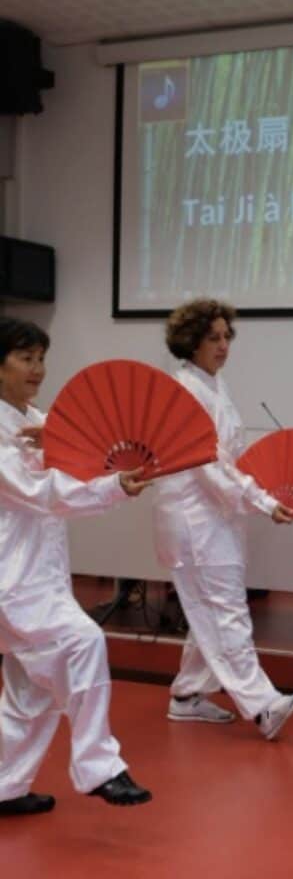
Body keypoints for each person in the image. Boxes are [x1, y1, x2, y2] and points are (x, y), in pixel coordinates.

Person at [0, 317, 152, 815]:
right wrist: (110, 487)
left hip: (38, 574)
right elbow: (42, 492)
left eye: (41, 358)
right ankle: (99, 767)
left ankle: (5, 786)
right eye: (25, 358)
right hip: (13, 580)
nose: (38, 369)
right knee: (82, 642)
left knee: (30, 693)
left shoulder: (37, 419)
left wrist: (110, 476)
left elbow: (72, 469)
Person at [152, 299, 293, 738]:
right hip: (194, 518)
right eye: (212, 338)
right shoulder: (185, 390)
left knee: (211, 609)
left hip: (212, 515)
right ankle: (263, 705)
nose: (223, 346)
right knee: (227, 610)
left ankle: (186, 697)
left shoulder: (214, 386)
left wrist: (262, 491)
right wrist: (262, 501)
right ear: (191, 342)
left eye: (226, 337)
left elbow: (229, 460)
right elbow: (210, 464)